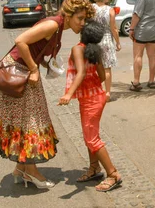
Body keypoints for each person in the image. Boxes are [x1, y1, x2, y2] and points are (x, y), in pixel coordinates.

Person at [0, 0, 94, 189]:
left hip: (23, 72)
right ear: (68, 15)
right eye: (80, 18)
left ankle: (20, 169)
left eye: (85, 19)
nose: (83, 23)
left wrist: (42, 63)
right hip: (18, 73)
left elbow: (34, 46)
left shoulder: (58, 27)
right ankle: (31, 172)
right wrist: (34, 68)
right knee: (31, 120)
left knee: (29, 119)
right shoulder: (53, 25)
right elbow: (21, 40)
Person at [59, 21, 123, 192]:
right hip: (96, 96)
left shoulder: (78, 49)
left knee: (91, 138)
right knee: (90, 135)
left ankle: (113, 174)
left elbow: (80, 72)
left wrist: (68, 94)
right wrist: (88, 87)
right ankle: (94, 168)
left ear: (83, 34)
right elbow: (102, 76)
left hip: (91, 100)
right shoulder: (96, 50)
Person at [91, 0, 121, 102]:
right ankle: (107, 93)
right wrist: (118, 42)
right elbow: (113, 28)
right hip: (106, 39)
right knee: (107, 68)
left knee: (94, 68)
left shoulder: (90, 8)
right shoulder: (110, 10)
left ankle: (95, 91)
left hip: (93, 38)